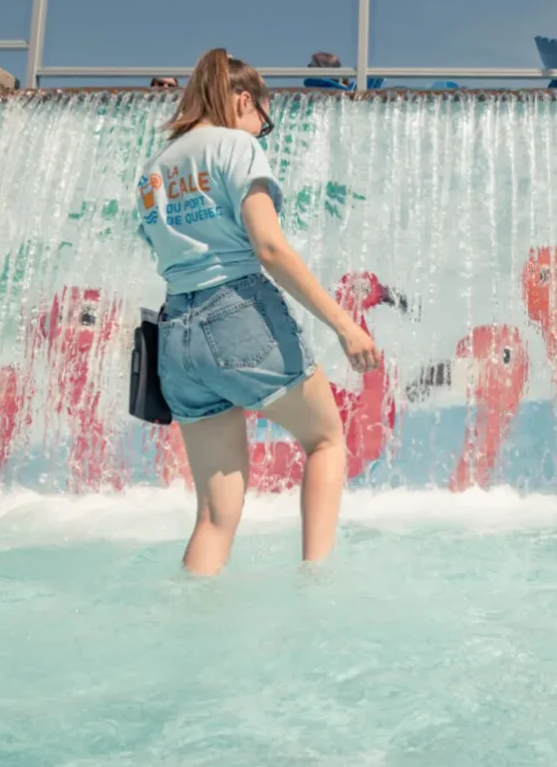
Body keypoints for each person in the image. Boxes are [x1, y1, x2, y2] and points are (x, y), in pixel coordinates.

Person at [136, 48, 381, 574]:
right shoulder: (236, 147)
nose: (260, 130)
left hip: (176, 334)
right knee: (325, 441)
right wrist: (344, 325)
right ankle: (316, 586)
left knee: (213, 516)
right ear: (244, 100)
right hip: (238, 311)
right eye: (261, 120)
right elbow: (269, 249)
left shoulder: (155, 170)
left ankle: (192, 627)